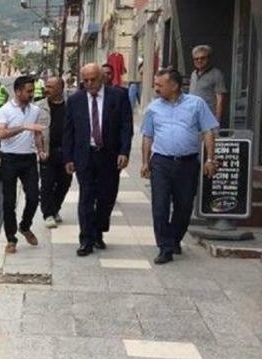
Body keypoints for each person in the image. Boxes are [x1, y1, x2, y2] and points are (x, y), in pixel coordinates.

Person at [141, 68, 220, 264]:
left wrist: (210, 159)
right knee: (159, 206)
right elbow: (147, 136)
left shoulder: (197, 104)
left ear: (174, 85)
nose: (156, 88)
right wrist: (144, 162)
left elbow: (208, 131)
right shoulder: (153, 108)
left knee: (184, 207)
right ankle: (164, 247)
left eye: (160, 85)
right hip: (161, 162)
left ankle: (174, 238)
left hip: (187, 163)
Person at [63, 62, 133, 256]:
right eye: (85, 80)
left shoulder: (118, 96)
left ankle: (98, 231)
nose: (89, 83)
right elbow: (69, 131)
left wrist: (124, 152)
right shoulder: (75, 100)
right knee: (86, 197)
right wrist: (68, 158)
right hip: (85, 155)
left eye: (93, 79)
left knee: (106, 197)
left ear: (102, 78)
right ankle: (86, 239)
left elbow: (126, 127)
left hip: (109, 155)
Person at [0, 75, 45, 253]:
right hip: (9, 158)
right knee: (9, 201)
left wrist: (40, 150)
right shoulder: (5, 110)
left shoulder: (35, 110)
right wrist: (23, 127)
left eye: (32, 91)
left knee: (33, 196)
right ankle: (11, 238)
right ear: (17, 91)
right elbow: (0, 134)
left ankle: (25, 226)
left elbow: (37, 133)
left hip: (29, 159)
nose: (32, 94)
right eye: (28, 91)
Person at [35, 75, 71, 228]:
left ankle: (55, 208)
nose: (46, 89)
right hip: (48, 152)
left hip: (67, 153)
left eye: (50, 87)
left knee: (65, 183)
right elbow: (35, 132)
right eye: (46, 86)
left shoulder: (71, 106)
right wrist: (40, 150)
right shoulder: (39, 107)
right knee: (47, 184)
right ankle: (48, 213)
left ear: (60, 89)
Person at [188, 44, 227, 126]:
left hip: (208, 120)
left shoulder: (216, 74)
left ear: (208, 58)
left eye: (202, 58)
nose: (199, 61)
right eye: (196, 59)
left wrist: (217, 122)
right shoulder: (193, 74)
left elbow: (220, 100)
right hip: (192, 118)